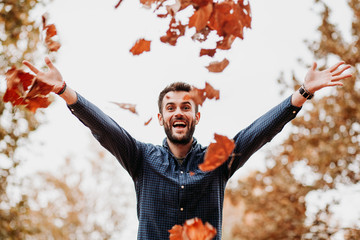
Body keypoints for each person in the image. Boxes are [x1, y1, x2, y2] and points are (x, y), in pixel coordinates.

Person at [23, 58, 352, 240]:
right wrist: (65, 91)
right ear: (161, 117)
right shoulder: (140, 159)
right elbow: (105, 127)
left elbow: (259, 132)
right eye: (170, 107)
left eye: (186, 106)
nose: (178, 111)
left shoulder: (218, 159)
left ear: (197, 115)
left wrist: (303, 92)